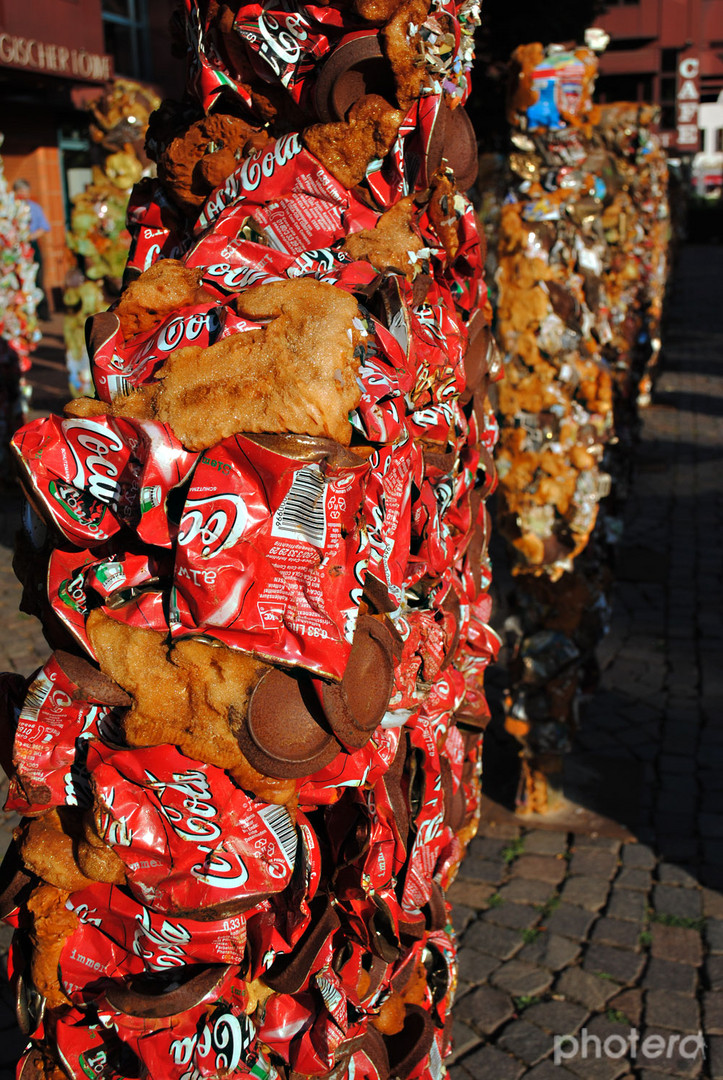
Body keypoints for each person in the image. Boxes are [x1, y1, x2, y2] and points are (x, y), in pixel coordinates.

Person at [13, 178, 50, 320]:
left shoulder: (34, 207)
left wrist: (30, 236)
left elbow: (45, 227)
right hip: (16, 247)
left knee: (37, 278)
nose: (23, 194)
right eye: (20, 191)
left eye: (25, 191)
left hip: (31, 244)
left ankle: (43, 312)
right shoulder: (11, 208)